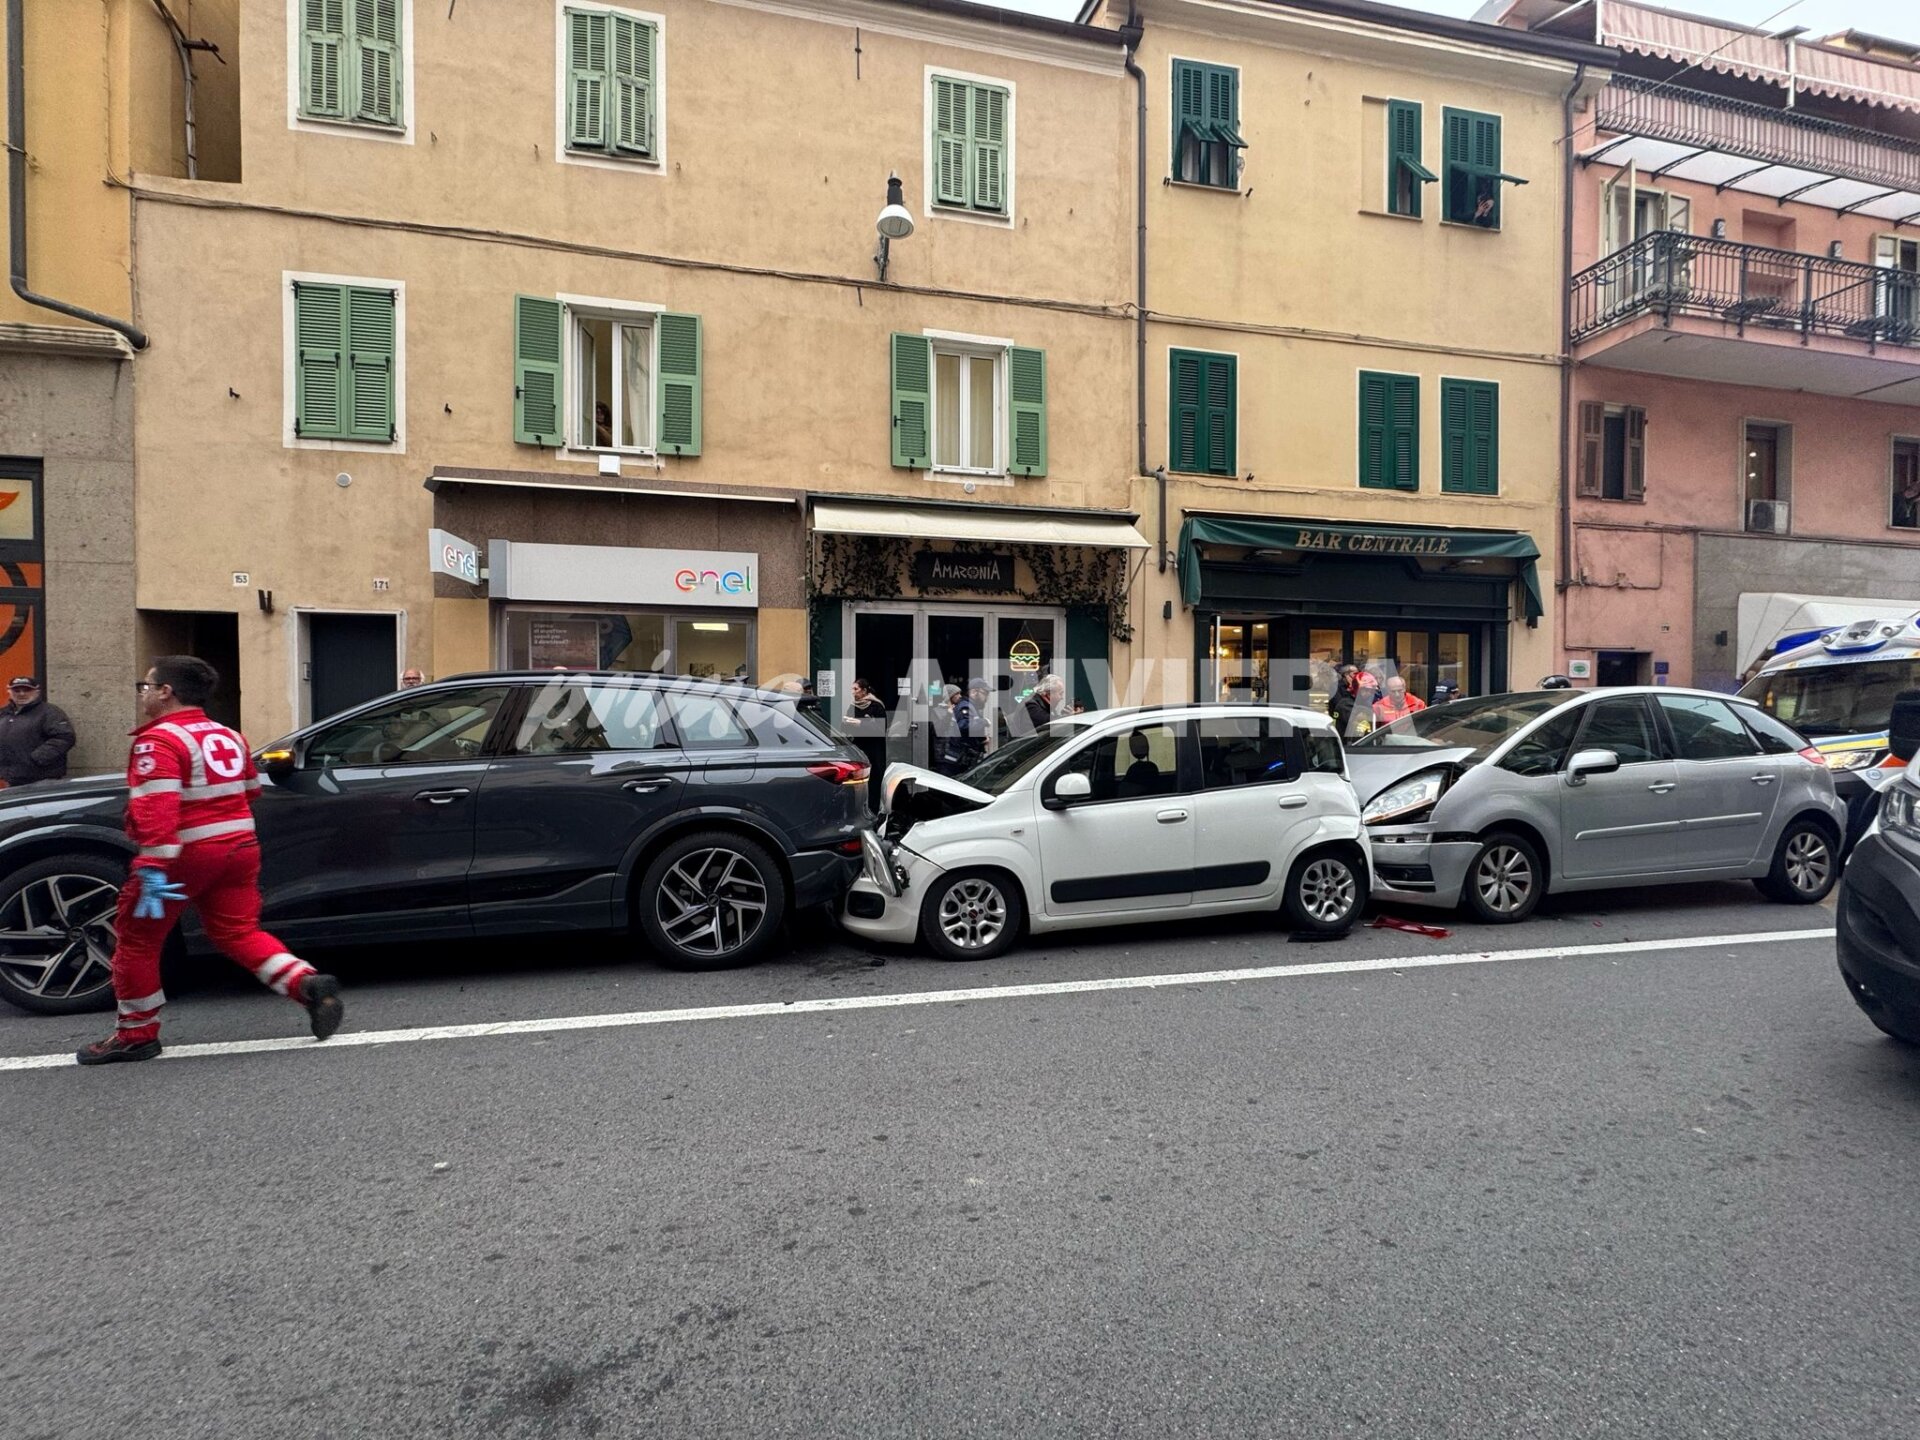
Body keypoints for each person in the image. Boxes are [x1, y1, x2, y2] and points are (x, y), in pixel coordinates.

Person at [76, 656, 345, 1065]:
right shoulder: (229, 735)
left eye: (146, 686)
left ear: (167, 691)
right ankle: (304, 983)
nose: (143, 694)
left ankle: (136, 1034)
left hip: (184, 856)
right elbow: (250, 790)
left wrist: (152, 867)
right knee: (236, 931)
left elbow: (157, 809)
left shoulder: (160, 740)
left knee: (137, 941)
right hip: (239, 849)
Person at [0, 676, 76, 787]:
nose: (22, 694)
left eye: (27, 690)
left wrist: (36, 758)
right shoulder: (3, 714)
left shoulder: (49, 712)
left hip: (43, 779)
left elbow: (65, 737)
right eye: (17, 690)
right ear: (9, 691)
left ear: (37, 692)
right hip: (12, 779)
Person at [844, 678, 890, 811]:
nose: (853, 692)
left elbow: (881, 729)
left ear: (864, 691)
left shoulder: (877, 706)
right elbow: (845, 728)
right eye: (852, 689)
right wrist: (847, 723)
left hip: (875, 751)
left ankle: (874, 810)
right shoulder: (853, 706)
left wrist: (861, 724)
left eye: (856, 689)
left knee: (874, 780)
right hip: (859, 748)